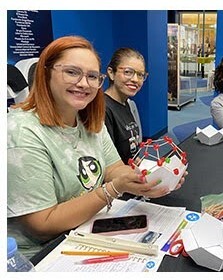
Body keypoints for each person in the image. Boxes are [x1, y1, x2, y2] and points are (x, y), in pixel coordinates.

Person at [7, 36, 186, 258]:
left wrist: (147, 179)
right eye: (72, 72)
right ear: (46, 73)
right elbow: (42, 223)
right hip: (44, 252)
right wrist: (112, 190)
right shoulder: (20, 131)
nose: (84, 83)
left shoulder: (90, 119)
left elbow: (114, 169)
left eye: (92, 76)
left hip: (86, 228)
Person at [103, 48, 145, 163]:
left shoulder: (128, 104)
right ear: (111, 73)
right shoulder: (103, 109)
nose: (135, 79)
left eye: (140, 75)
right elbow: (106, 161)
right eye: (128, 72)